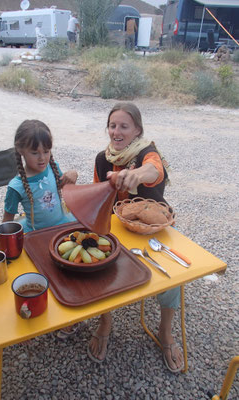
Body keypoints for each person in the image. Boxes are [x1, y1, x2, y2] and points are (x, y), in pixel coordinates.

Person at [87, 102, 184, 372]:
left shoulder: (146, 154)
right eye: (112, 125)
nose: (116, 131)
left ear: (137, 130)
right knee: (100, 269)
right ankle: (105, 321)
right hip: (116, 228)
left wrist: (135, 175)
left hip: (150, 230)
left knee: (171, 276)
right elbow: (98, 198)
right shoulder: (101, 159)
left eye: (124, 126)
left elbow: (154, 171)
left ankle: (165, 332)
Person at [2, 120, 77, 232]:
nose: (42, 158)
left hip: (62, 224)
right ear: (20, 150)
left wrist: (73, 175)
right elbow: (7, 221)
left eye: (46, 151)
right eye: (34, 153)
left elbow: (66, 187)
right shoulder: (16, 187)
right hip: (36, 233)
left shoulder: (53, 167)